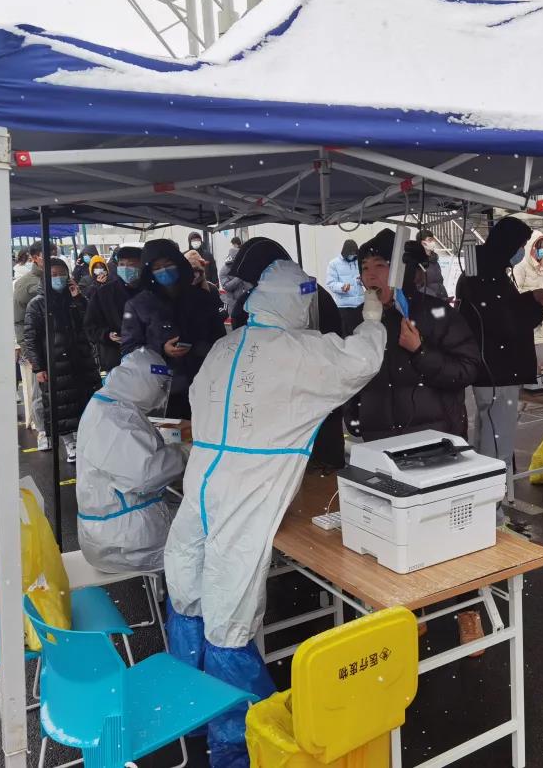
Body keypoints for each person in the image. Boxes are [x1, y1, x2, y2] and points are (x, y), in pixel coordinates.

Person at [164, 260, 385, 767]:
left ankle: (189, 714)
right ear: (298, 302)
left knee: (188, 594)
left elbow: (198, 399)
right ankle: (239, 745)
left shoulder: (224, 347)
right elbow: (361, 361)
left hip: (201, 484)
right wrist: (373, 319)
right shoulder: (300, 352)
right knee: (230, 618)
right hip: (247, 495)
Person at [341, 228, 480, 441]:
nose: (370, 274)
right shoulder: (357, 321)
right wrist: (354, 415)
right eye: (365, 267)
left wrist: (420, 351)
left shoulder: (436, 313)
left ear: (400, 270)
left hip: (435, 439)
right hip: (380, 441)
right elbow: (350, 375)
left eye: (380, 265)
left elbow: (467, 370)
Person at [229, 237, 349, 469]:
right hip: (274, 411)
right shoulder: (248, 304)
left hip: (316, 406)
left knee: (321, 473)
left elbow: (335, 349)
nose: (253, 288)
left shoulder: (316, 298)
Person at [456, 217, 543, 509]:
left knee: (486, 437)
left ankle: (483, 506)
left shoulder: (481, 271)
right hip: (498, 372)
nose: (521, 251)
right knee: (497, 446)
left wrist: (528, 299)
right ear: (508, 244)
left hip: (488, 371)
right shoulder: (489, 276)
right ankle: (491, 511)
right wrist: (535, 306)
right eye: (520, 245)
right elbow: (505, 324)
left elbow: (499, 313)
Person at [75, 348, 184, 572]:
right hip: (125, 543)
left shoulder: (109, 404)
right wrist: (182, 454)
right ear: (144, 382)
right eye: (160, 386)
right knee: (199, 541)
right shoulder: (114, 417)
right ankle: (179, 594)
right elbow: (145, 476)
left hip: (111, 532)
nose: (162, 394)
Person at [121, 239, 226, 419]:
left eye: (168, 264)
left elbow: (220, 339)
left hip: (206, 385)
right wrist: (161, 349)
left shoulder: (201, 298)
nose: (163, 271)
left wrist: (200, 348)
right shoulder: (138, 305)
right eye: (157, 268)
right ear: (149, 272)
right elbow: (129, 350)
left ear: (179, 264)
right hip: (163, 393)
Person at [23, 258, 102, 463]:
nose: (58, 278)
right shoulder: (37, 304)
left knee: (85, 399)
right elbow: (30, 337)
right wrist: (38, 367)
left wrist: (79, 299)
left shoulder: (75, 299)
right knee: (61, 405)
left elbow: (89, 322)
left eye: (62, 274)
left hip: (80, 358)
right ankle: (69, 443)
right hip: (55, 362)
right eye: (53, 275)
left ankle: (85, 438)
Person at [14, 241, 56, 445]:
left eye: (55, 253)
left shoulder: (59, 277)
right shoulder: (25, 283)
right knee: (40, 391)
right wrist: (26, 348)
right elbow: (18, 319)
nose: (53, 257)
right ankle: (43, 431)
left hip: (62, 344)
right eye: (48, 254)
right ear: (36, 257)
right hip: (39, 346)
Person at [84, 245, 143, 373]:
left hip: (147, 356)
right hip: (115, 360)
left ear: (141, 266)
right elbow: (90, 326)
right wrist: (107, 335)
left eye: (131, 264)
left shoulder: (150, 291)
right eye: (122, 264)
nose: (126, 268)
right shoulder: (104, 293)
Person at [512, 227, 543, 365]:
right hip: (530, 327)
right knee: (531, 367)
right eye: (538, 246)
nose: (541, 250)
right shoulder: (520, 267)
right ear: (530, 246)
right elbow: (516, 296)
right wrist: (534, 302)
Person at [325, 238, 364, 319]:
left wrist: (362, 280)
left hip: (360, 304)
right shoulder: (334, 264)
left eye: (354, 254)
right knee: (346, 327)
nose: (352, 255)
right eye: (350, 253)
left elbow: (365, 278)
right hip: (344, 307)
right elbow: (330, 283)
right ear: (344, 252)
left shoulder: (359, 262)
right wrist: (342, 287)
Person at [417, 228, 448, 300]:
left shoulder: (435, 261)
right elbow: (418, 287)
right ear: (423, 243)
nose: (433, 242)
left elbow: (439, 283)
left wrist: (445, 297)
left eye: (433, 240)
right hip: (428, 301)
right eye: (430, 240)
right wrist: (434, 298)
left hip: (440, 300)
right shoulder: (418, 262)